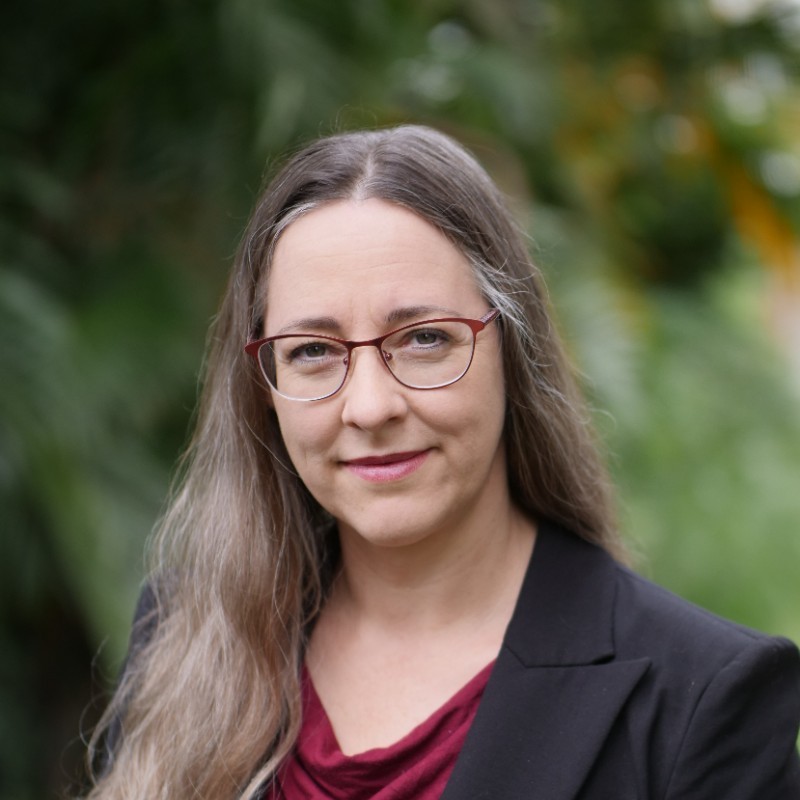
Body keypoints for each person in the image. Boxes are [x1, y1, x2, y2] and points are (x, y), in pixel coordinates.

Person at [84, 125, 800, 799]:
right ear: (262, 389)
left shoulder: (703, 697)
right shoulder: (183, 634)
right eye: (312, 351)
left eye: (425, 339)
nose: (369, 407)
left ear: (511, 353)